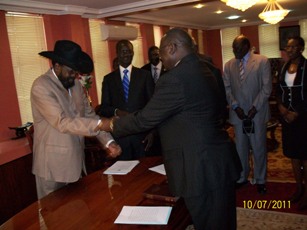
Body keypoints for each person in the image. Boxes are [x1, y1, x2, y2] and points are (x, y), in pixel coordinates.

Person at [97, 28, 241, 230]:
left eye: (162, 52)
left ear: (172, 48)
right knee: (223, 220)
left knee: (208, 222)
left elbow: (146, 119)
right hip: (216, 160)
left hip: (197, 167)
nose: (160, 58)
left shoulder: (174, 78)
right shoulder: (208, 69)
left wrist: (109, 124)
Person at [30, 40, 121, 199]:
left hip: (76, 164)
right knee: (56, 219)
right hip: (52, 167)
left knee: (77, 216)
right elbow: (62, 122)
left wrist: (108, 142)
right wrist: (101, 124)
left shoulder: (76, 85)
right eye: (71, 71)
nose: (75, 76)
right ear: (57, 66)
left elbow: (89, 115)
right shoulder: (41, 86)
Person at [223, 34, 272, 194]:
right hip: (238, 116)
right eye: (232, 48)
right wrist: (235, 107)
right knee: (240, 149)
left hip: (256, 114)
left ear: (245, 47)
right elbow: (227, 88)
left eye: (236, 48)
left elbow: (266, 88)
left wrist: (254, 108)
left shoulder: (262, 61)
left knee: (258, 148)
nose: (233, 51)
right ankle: (242, 176)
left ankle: (260, 179)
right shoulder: (229, 65)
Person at [99, 39, 155, 160]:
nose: (127, 54)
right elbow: (104, 108)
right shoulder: (109, 79)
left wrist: (152, 131)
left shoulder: (144, 76)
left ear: (133, 53)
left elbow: (152, 106)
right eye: (123, 51)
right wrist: (117, 111)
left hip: (141, 135)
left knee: (144, 173)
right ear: (117, 54)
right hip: (120, 137)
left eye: (129, 51)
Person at [276, 36, 307, 210]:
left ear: (301, 48)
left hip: (303, 118)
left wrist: (297, 112)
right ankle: (298, 188)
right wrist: (281, 108)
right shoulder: (284, 67)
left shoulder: (306, 67)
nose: (289, 50)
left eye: (293, 47)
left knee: (305, 157)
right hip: (287, 117)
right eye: (287, 47)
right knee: (293, 155)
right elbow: (278, 89)